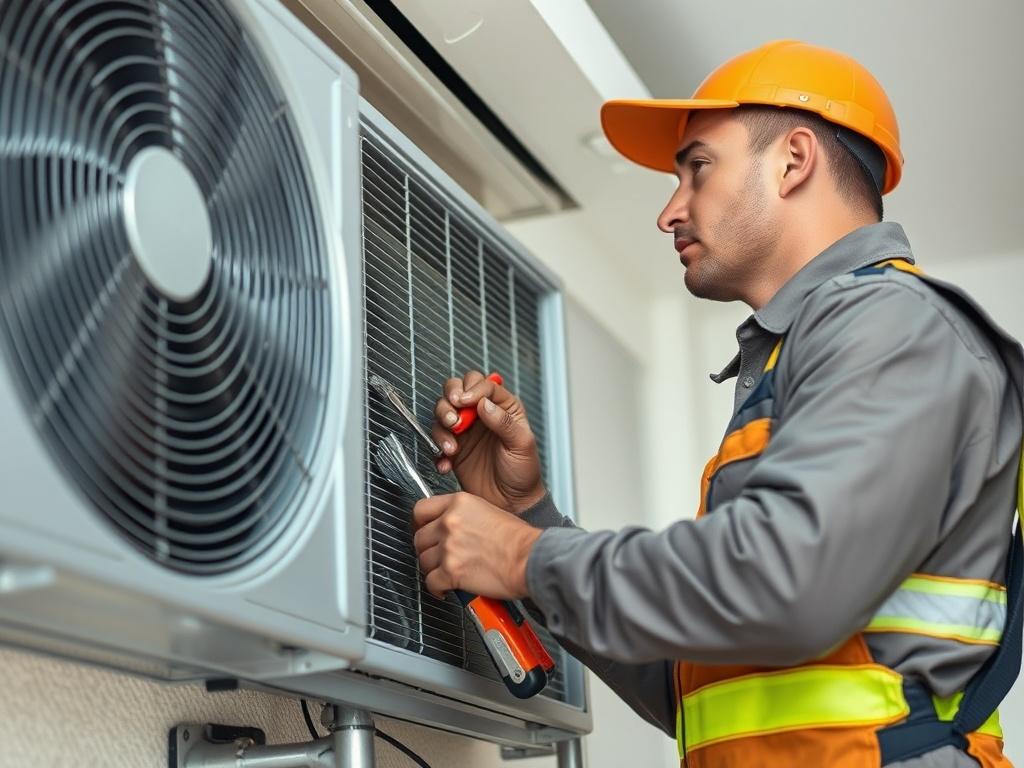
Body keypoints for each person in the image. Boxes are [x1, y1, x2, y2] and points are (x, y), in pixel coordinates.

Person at [409, 40, 1023, 767]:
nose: (670, 211)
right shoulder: (807, 352)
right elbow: (692, 693)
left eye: (697, 167)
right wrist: (530, 514)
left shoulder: (892, 324)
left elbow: (786, 583)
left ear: (794, 160)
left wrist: (524, 557)